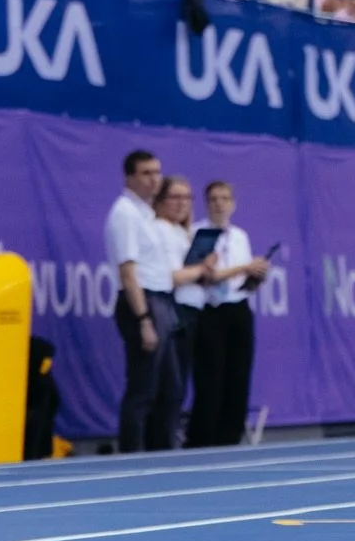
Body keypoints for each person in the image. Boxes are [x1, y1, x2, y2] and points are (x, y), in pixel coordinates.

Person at [102, 150, 184, 451]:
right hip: (143, 303)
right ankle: (132, 457)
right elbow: (128, 272)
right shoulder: (125, 213)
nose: (154, 179)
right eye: (146, 173)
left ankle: (161, 454)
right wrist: (143, 319)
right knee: (143, 388)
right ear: (130, 177)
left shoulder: (147, 215)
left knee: (170, 387)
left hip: (162, 301)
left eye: (157, 172)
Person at [189, 180, 270, 448]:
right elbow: (206, 276)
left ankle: (231, 436)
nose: (219, 204)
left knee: (238, 374)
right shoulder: (197, 233)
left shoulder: (240, 236)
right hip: (210, 309)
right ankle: (205, 438)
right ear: (206, 203)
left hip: (238, 307)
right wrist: (245, 268)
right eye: (213, 199)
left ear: (233, 203)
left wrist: (256, 275)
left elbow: (241, 280)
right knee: (211, 376)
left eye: (224, 198)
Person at [152, 176, 215, 434]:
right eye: (175, 197)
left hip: (192, 311)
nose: (182, 204)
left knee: (180, 383)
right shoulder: (160, 230)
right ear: (162, 200)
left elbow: (193, 275)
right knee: (168, 384)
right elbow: (171, 276)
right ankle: (161, 439)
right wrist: (200, 269)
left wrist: (206, 270)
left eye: (187, 198)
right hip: (173, 311)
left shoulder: (184, 233)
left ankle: (170, 436)